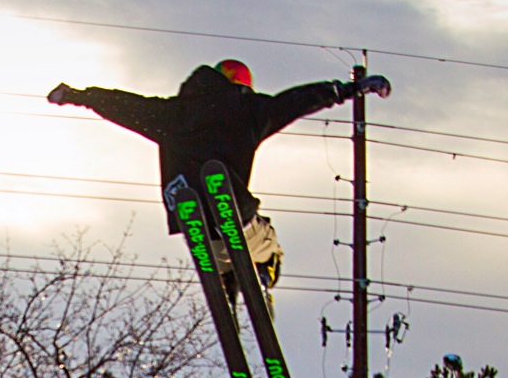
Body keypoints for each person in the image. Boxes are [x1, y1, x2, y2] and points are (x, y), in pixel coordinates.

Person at [48, 60, 390, 288]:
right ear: (243, 85)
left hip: (191, 221)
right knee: (268, 245)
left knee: (219, 250)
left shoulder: (171, 113)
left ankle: (227, 280)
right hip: (235, 215)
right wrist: (349, 89)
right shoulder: (249, 111)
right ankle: (263, 270)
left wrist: (78, 96)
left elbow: (124, 105)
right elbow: (296, 100)